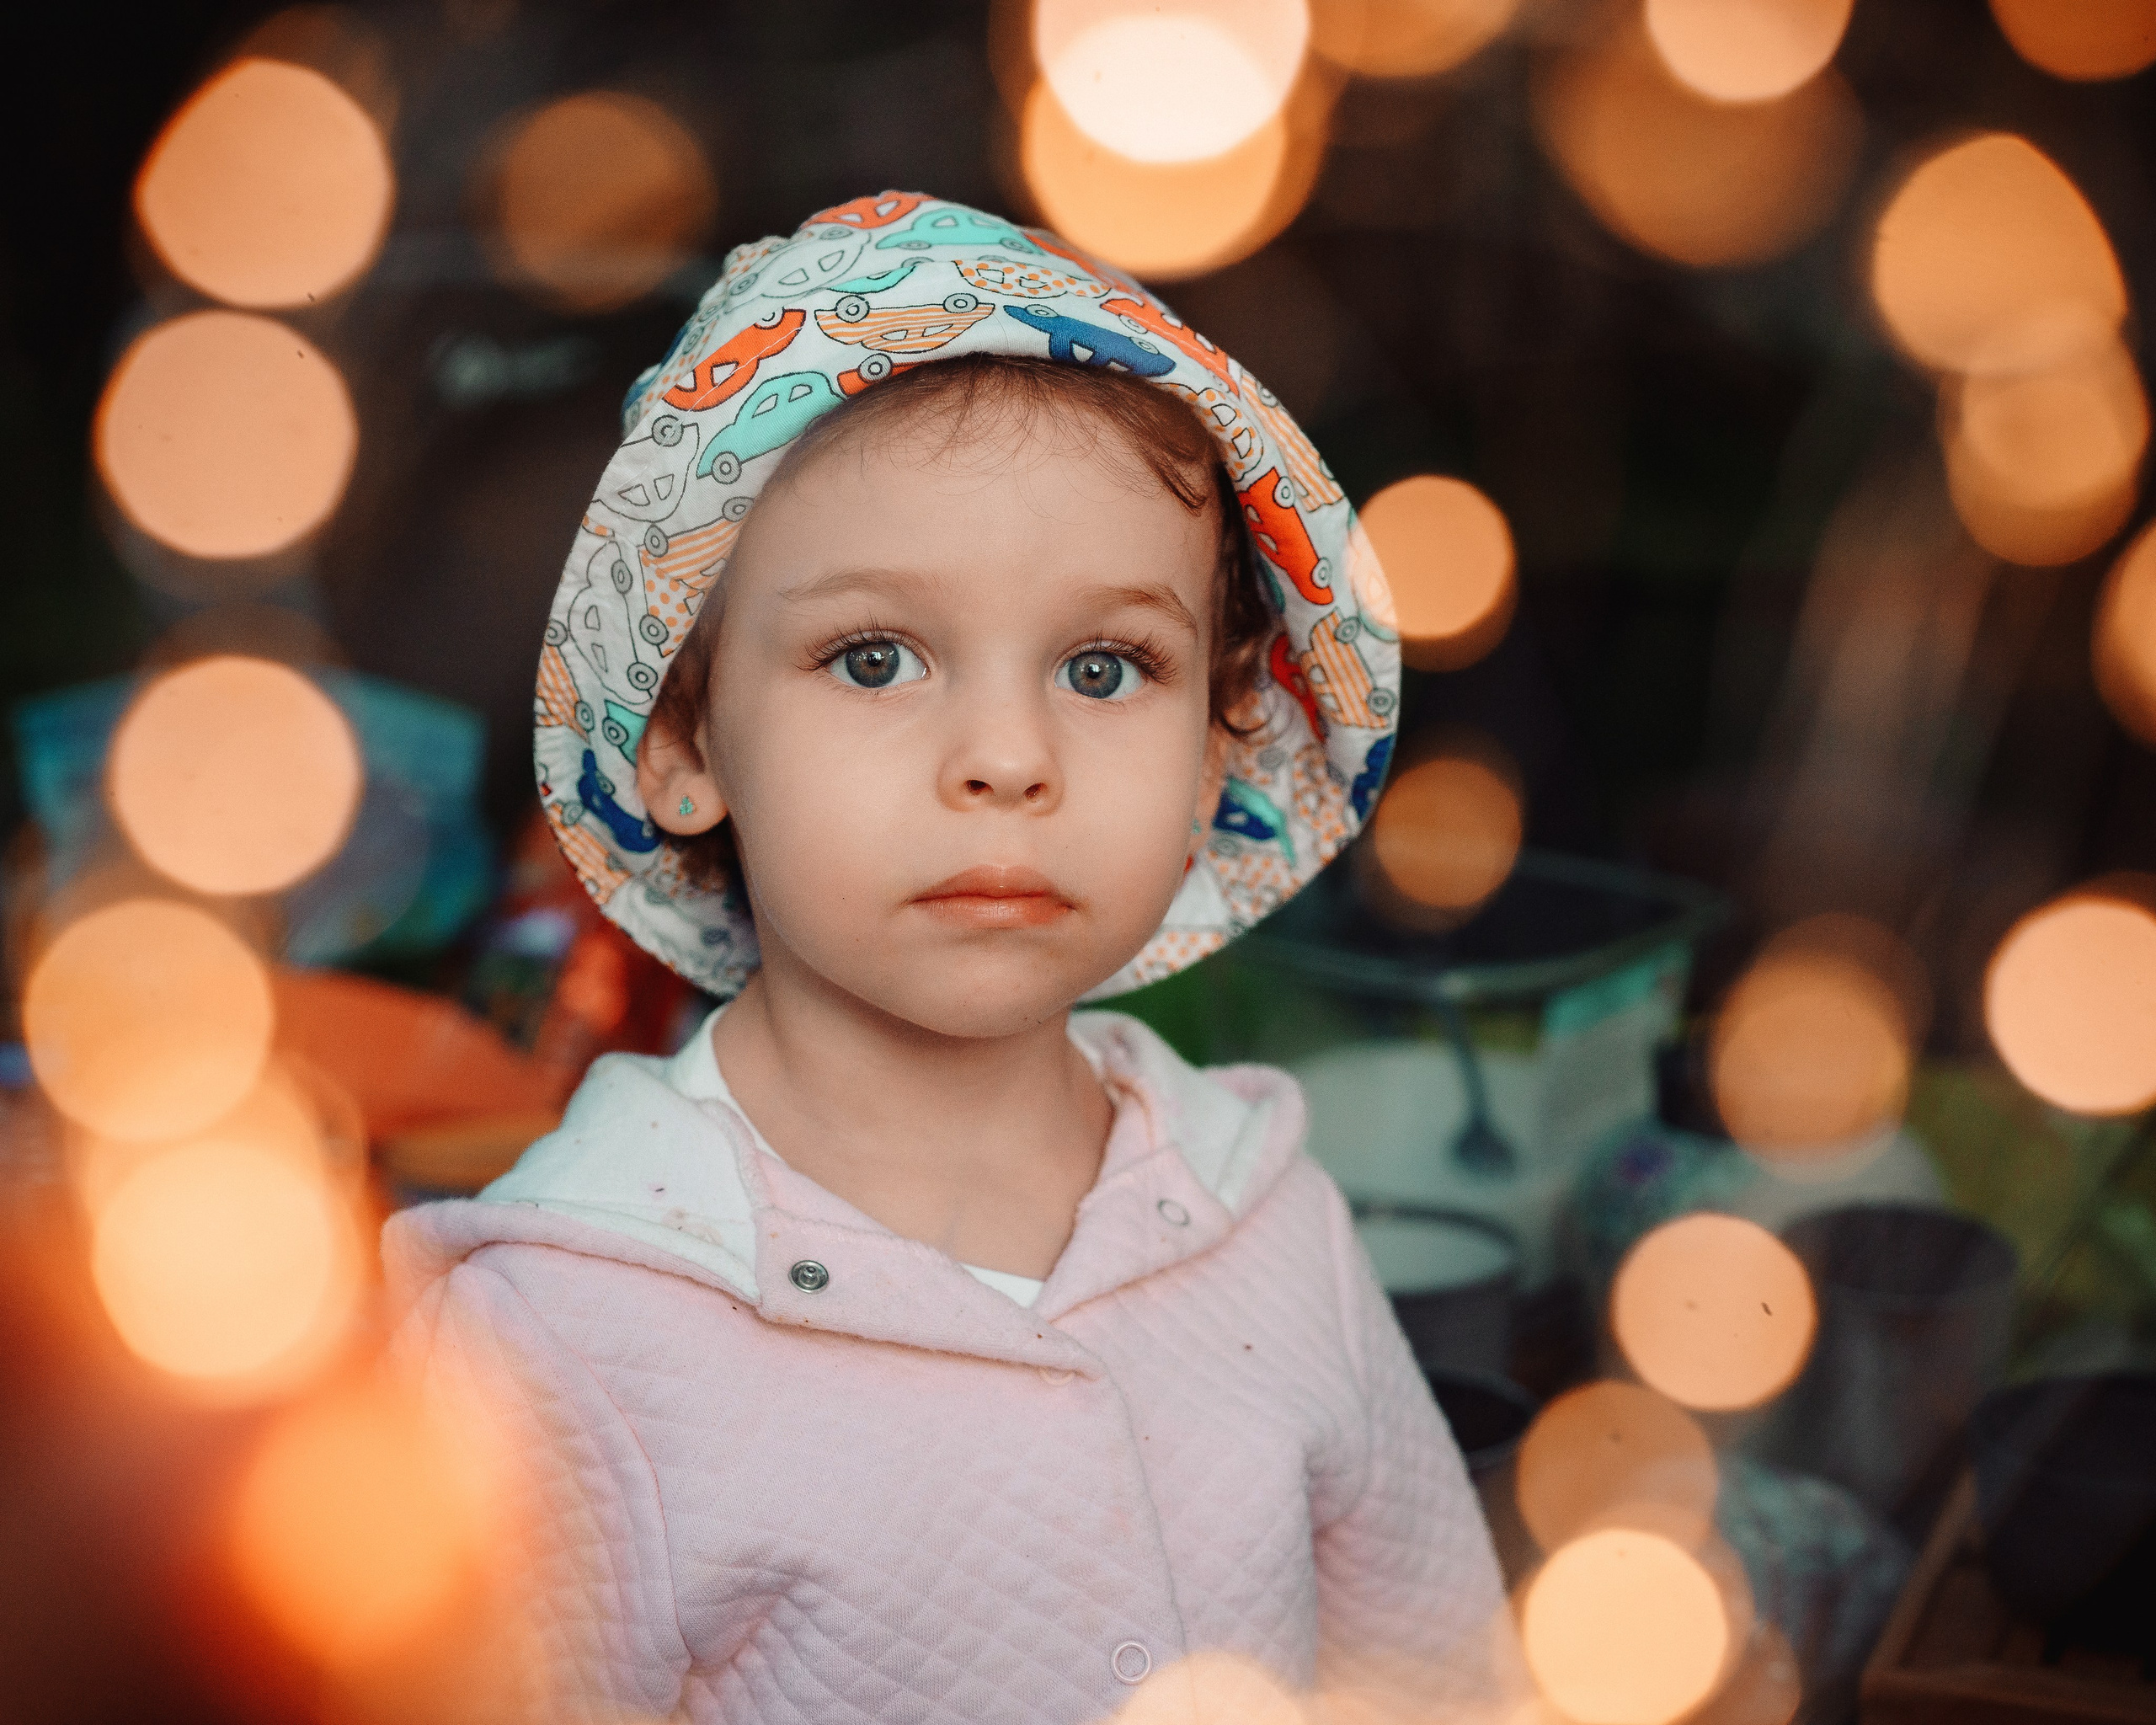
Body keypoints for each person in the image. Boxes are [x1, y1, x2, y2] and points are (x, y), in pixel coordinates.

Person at [384, 191, 1524, 1724]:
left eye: (1105, 667)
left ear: (1215, 752)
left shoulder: (1264, 1212)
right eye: (875, 658)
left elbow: (1447, 1685)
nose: (1009, 756)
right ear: (682, 741)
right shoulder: (566, 1337)